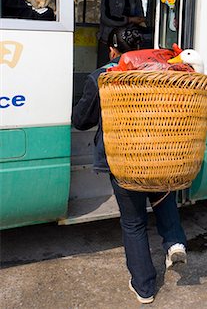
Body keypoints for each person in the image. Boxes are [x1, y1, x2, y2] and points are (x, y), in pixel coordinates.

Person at [72, 26, 187, 304]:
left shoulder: (102, 76)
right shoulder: (161, 71)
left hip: (122, 157)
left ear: (113, 50)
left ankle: (145, 287)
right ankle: (174, 242)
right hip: (160, 151)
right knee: (162, 194)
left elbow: (81, 120)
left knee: (133, 222)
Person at [98, 0, 146, 66]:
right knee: (104, 70)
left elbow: (140, 17)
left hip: (128, 43)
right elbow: (106, 18)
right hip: (108, 40)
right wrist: (129, 20)